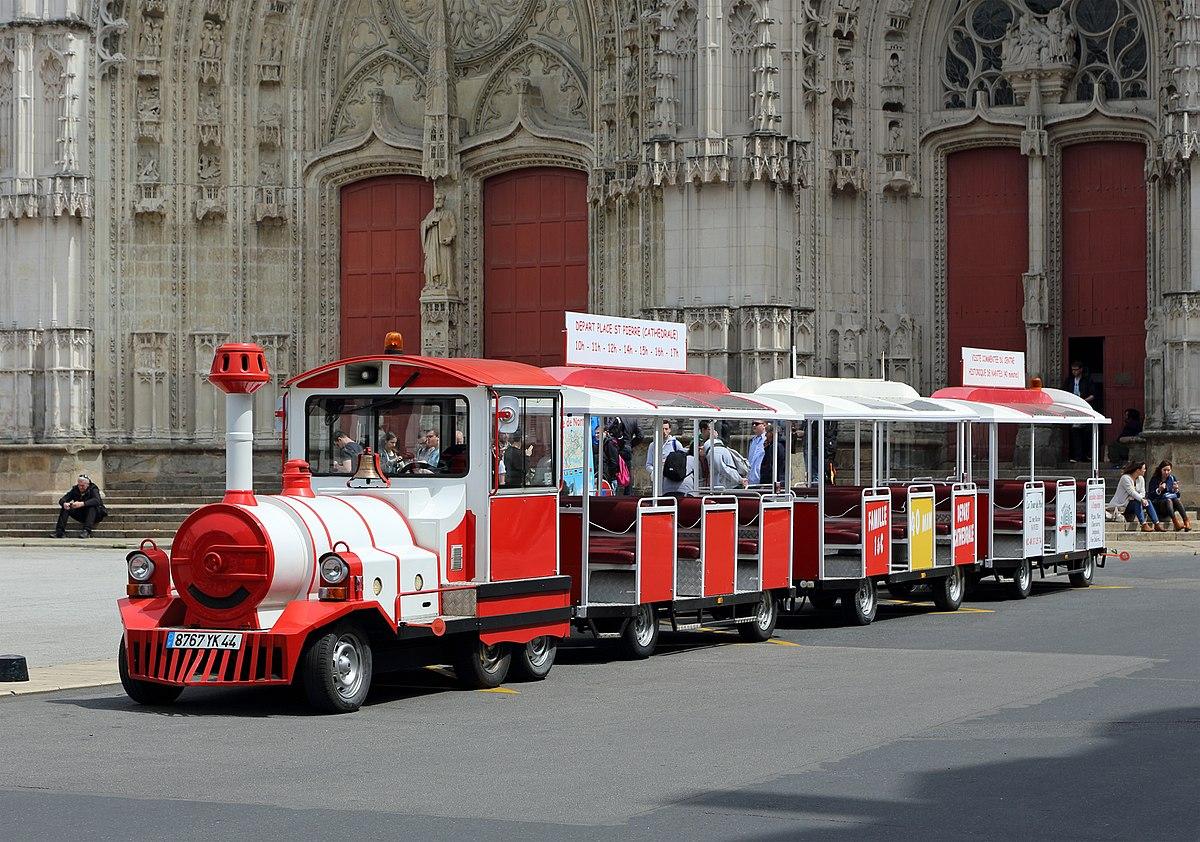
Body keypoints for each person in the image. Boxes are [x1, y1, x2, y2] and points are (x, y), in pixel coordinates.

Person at [1109, 460, 1163, 532]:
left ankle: (1157, 524)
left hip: (1133, 503)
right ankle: (1143, 524)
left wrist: (1142, 499)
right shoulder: (1125, 478)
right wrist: (1141, 499)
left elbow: (1142, 492)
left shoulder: (1141, 479)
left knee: (1148, 501)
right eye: (1144, 469)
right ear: (1138, 470)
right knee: (1137, 502)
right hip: (1122, 505)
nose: (1145, 470)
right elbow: (1131, 492)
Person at [1062, 361, 1098, 462]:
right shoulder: (1069, 381)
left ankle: (1089, 455)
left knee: (1087, 433)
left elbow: (1093, 394)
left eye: (1076, 369)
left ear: (1081, 370)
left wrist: (1083, 401)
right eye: (1072, 370)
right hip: (1073, 409)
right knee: (1075, 432)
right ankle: (1077, 456)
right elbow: (1064, 392)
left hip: (1086, 408)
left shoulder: (1087, 380)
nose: (1074, 372)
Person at [54, 474, 108, 538]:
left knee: (92, 506)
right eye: (79, 485)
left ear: (88, 484)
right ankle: (60, 532)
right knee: (66, 507)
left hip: (95, 515)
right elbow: (62, 499)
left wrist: (82, 503)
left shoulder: (93, 488)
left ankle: (86, 531)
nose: (80, 487)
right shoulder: (75, 489)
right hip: (81, 514)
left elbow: (97, 500)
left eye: (83, 486)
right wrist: (64, 503)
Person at [1149, 460, 1191, 531]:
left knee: (1175, 500)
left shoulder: (1172, 478)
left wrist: (1176, 490)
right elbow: (1150, 496)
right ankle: (1176, 522)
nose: (1166, 472)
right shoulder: (1155, 479)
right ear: (1160, 470)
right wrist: (1159, 490)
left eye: (1168, 470)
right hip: (1159, 507)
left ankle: (1186, 521)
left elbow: (1177, 496)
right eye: (1164, 470)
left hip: (1170, 507)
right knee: (1168, 500)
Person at [758, 423, 788, 488]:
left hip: (774, 480)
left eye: (767, 433)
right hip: (779, 479)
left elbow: (770, 464)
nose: (765, 435)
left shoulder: (775, 446)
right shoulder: (778, 445)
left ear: (771, 433)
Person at [747, 420, 767, 485]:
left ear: (764, 425)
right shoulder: (752, 440)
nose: (754, 425)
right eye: (753, 424)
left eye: (756, 424)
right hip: (751, 478)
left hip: (761, 478)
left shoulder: (767, 439)